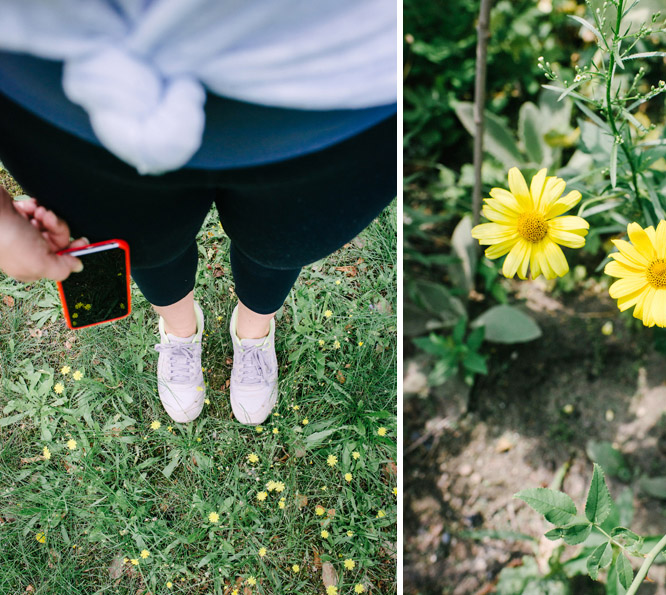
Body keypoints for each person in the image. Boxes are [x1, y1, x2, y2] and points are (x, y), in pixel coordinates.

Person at [0, 0, 396, 425]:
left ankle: (254, 332)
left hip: (342, 93)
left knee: (282, 246)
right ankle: (180, 331)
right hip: (56, 99)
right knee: (145, 247)